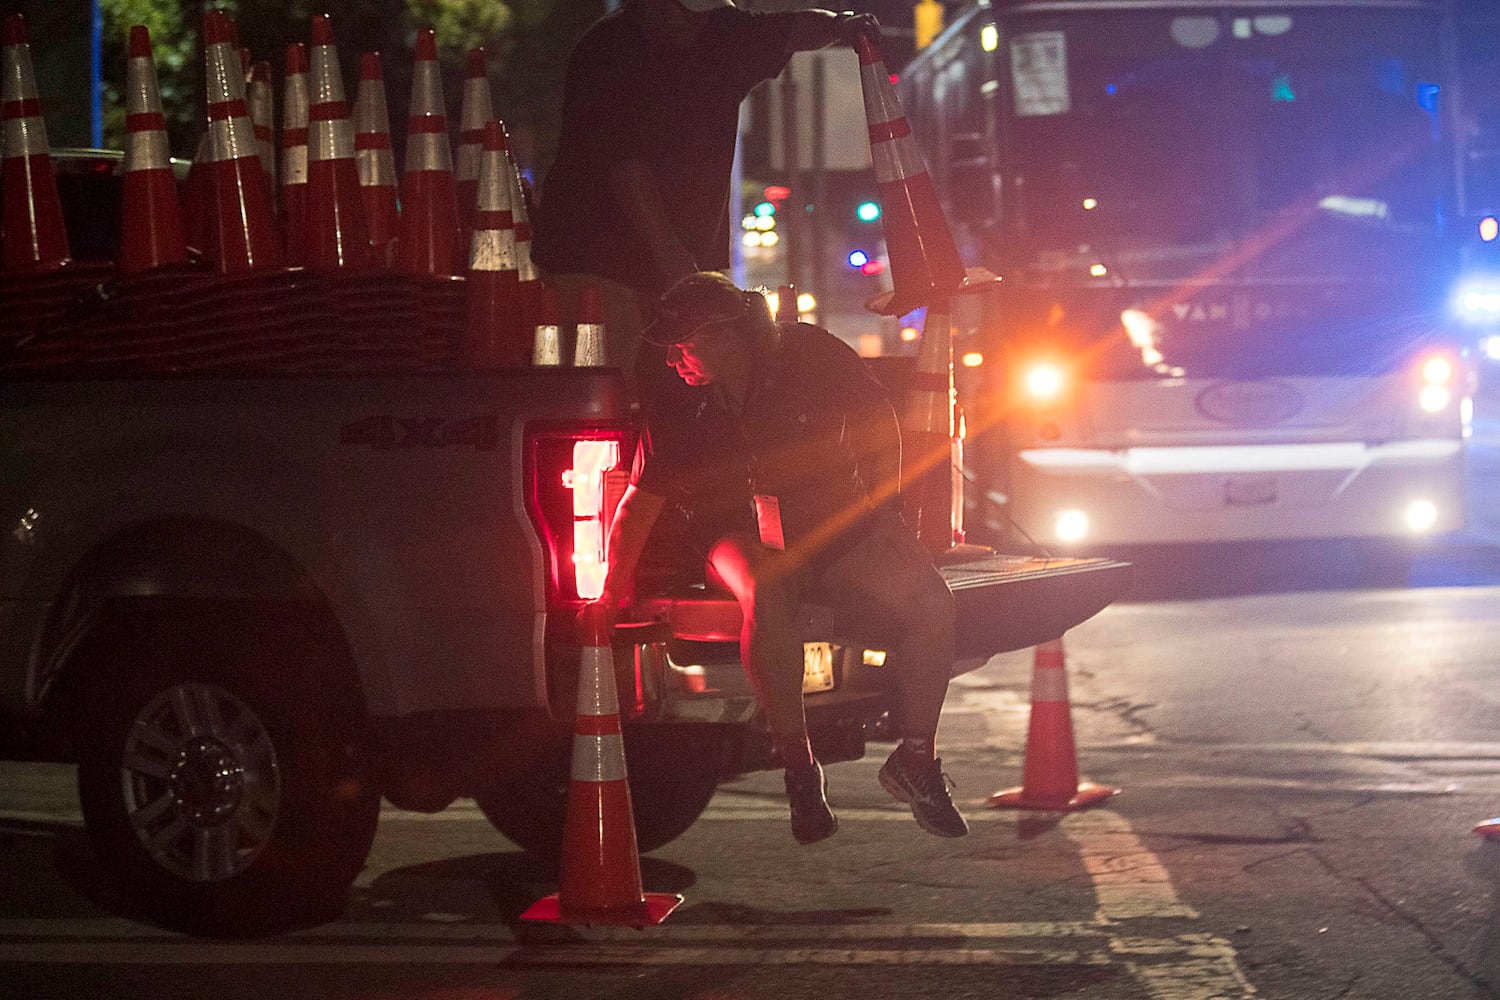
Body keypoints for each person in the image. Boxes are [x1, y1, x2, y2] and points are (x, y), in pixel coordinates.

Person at [590, 272, 968, 844]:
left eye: (683, 347)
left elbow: (880, 422)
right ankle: (799, 770)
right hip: (732, 527)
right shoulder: (677, 400)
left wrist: (889, 512)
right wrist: (611, 589)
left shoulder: (812, 354)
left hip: (831, 517)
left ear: (726, 335)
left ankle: (916, 761)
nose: (673, 361)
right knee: (766, 589)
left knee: (931, 604)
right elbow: (643, 498)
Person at [531, 0, 880, 372]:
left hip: (679, 271)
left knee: (687, 394)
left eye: (706, 12)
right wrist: (671, 254)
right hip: (594, 263)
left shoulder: (719, 32)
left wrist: (842, 27)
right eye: (688, 12)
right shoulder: (609, 51)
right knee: (611, 390)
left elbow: (790, 30)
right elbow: (624, 163)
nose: (699, 23)